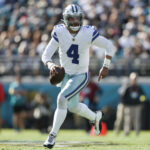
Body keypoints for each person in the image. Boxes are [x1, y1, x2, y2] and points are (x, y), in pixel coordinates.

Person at [42, 4, 115, 149]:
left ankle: (52, 136)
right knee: (73, 107)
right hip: (66, 75)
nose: (75, 22)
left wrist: (106, 65)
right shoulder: (60, 32)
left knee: (61, 99)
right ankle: (95, 117)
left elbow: (109, 45)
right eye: (72, 19)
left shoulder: (88, 32)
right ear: (65, 19)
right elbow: (46, 55)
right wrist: (51, 65)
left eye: (78, 19)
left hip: (81, 75)